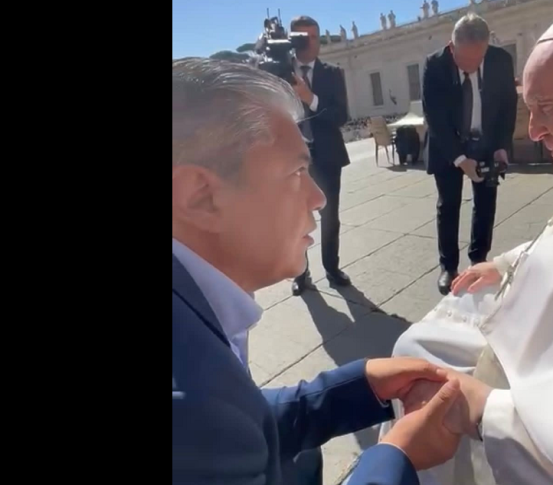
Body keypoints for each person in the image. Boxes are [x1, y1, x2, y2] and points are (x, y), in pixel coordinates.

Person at [379, 1, 553, 485]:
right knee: (414, 346)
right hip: (536, 319)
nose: (535, 130)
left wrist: (486, 410)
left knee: (418, 366)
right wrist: (505, 262)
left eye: (548, 108)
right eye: (532, 108)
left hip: (537, 404)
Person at [172, 58, 466, 485]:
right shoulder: (186, 402)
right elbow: (209, 422)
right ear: (200, 197)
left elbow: (237, 419)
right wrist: (397, 457)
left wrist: (359, 386)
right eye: (297, 172)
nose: (318, 198)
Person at [422, 13, 518, 295]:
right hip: (448, 145)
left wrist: (502, 146)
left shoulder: (501, 60)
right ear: (451, 47)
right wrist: (460, 159)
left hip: (486, 142)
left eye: (479, 59)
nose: (472, 66)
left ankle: (478, 261)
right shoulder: (434, 65)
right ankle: (448, 267)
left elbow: (507, 107)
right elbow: (434, 118)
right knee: (448, 205)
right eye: (465, 60)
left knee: (486, 203)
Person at [286, 15, 352, 296]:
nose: (312, 42)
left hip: (327, 155)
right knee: (296, 218)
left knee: (330, 216)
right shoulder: (279, 72)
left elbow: (341, 116)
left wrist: (310, 98)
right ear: (292, 39)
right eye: (304, 37)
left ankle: (332, 268)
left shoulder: (332, 73)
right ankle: (300, 273)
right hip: (291, 160)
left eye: (315, 36)